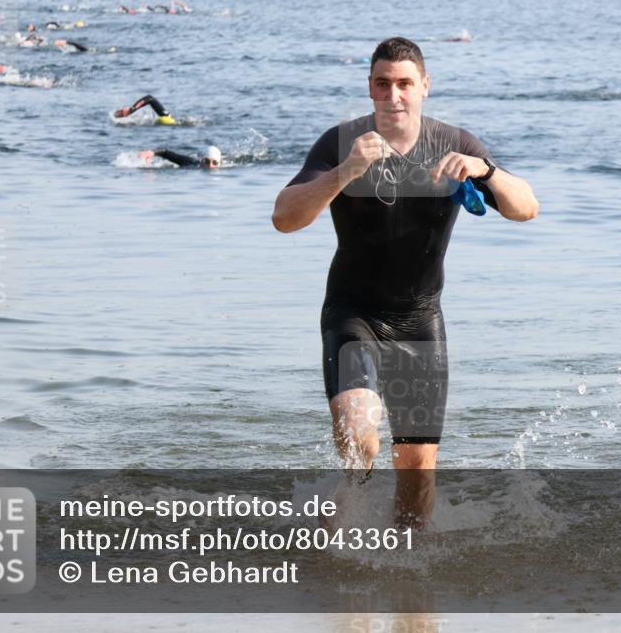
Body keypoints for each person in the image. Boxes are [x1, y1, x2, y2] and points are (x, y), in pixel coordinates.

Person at [272, 37, 537, 526]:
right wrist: (346, 172)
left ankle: (410, 576)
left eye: (405, 84)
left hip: (419, 319)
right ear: (370, 88)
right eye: (383, 84)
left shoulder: (456, 144)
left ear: (424, 87)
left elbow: (526, 208)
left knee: (417, 473)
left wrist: (487, 171)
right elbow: (285, 218)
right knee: (359, 430)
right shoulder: (340, 142)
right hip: (354, 311)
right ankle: (348, 527)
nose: (394, 95)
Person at [113, 95, 178, 125]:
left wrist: (131, 110)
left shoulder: (168, 120)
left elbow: (150, 98)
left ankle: (129, 111)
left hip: (169, 121)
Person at [137, 146, 222, 168]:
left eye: (214, 163)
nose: (210, 166)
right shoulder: (190, 162)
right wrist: (152, 152)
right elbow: (166, 152)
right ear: (201, 160)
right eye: (206, 161)